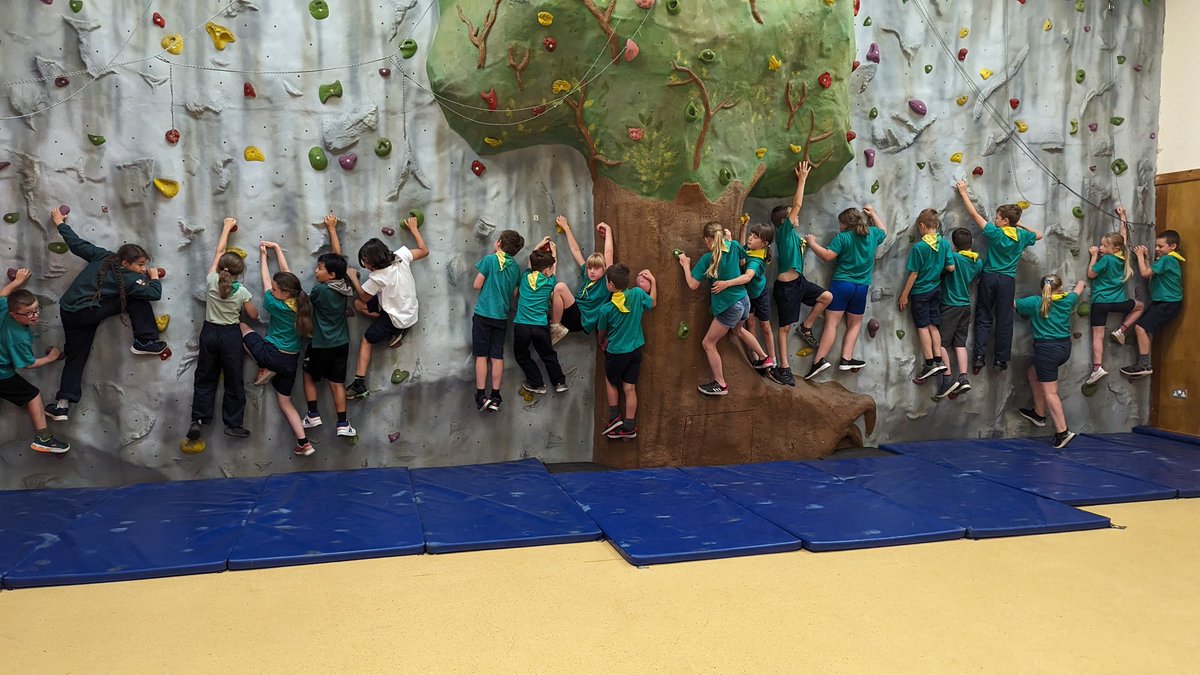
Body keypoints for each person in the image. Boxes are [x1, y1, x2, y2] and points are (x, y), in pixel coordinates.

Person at [46, 207, 167, 421]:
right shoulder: (131, 280)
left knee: (76, 356)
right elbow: (153, 294)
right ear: (125, 263)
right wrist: (154, 277)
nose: (142, 269)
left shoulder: (103, 256)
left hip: (68, 310)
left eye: (145, 265)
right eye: (140, 265)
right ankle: (145, 341)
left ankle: (62, 405)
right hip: (89, 313)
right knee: (135, 297)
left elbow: (76, 243)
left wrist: (59, 223)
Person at [955, 179, 1041, 374]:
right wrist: (1020, 225)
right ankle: (1001, 360)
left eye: (997, 217)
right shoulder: (1021, 237)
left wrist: (963, 193)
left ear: (1005, 221)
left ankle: (978, 357)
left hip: (989, 277)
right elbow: (1038, 235)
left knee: (983, 316)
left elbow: (973, 214)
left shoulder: (995, 233)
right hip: (1007, 281)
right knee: (1004, 319)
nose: (994, 219)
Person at [679, 222, 770, 396]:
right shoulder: (735, 245)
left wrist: (685, 264)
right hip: (744, 301)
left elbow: (692, 285)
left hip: (730, 306)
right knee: (738, 330)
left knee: (708, 343)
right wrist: (730, 240)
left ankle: (720, 384)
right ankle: (765, 358)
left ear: (707, 239)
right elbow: (743, 261)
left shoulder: (708, 258)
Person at [187, 217, 257, 444]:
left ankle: (197, 419)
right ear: (240, 273)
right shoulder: (242, 291)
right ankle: (234, 424)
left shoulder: (211, 280)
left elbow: (218, 252)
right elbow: (253, 315)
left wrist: (226, 226)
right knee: (234, 379)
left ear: (220, 269)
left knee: (205, 376)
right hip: (230, 335)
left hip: (209, 333)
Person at [240, 242, 314, 456]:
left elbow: (265, 279)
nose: (272, 290)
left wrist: (263, 256)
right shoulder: (302, 302)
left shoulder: (274, 304)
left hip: (273, 355)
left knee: (241, 327)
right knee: (285, 402)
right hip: (291, 362)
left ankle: (263, 365)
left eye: (275, 289)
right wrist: (278, 249)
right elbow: (287, 274)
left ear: (283, 293)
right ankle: (304, 443)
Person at [346, 215, 428, 400]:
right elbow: (424, 250)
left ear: (374, 262)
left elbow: (364, 295)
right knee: (360, 306)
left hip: (397, 319)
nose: (365, 266)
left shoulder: (377, 278)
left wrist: (353, 278)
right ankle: (396, 324)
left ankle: (359, 383)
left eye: (366, 262)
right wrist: (414, 228)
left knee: (366, 339)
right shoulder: (401, 256)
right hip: (410, 309)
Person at [804, 205, 888, 379]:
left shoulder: (842, 238)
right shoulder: (871, 234)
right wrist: (873, 213)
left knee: (831, 324)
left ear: (844, 223)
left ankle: (818, 361)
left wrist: (812, 243)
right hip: (861, 287)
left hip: (842, 285)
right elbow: (884, 231)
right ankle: (846, 358)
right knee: (855, 324)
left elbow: (828, 255)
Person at [769, 161, 833, 386]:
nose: (797, 215)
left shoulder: (794, 236)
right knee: (784, 328)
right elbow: (797, 203)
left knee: (826, 297)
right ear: (784, 221)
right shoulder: (784, 232)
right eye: (792, 214)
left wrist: (808, 243)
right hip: (786, 287)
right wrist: (802, 178)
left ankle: (806, 327)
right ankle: (783, 369)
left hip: (799, 283)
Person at [302, 213, 365, 437]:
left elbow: (310, 304)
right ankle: (342, 424)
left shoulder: (319, 290)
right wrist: (332, 230)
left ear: (330, 275)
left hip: (320, 344)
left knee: (308, 374)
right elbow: (338, 259)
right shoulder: (343, 284)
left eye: (319, 269)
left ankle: (312, 414)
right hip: (341, 343)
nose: (315, 271)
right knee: (337, 382)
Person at [0, 269, 70, 453]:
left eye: (37, 309)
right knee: (32, 395)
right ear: (14, 314)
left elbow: (2, 294)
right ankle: (44, 438)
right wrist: (50, 358)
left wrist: (18, 282)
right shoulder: (18, 337)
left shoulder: (3, 307)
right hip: (1, 374)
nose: (35, 316)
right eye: (29, 313)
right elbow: (27, 364)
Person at [1015, 275, 1086, 449]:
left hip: (1046, 351)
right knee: (1032, 374)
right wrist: (1080, 283)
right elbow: (1079, 289)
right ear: (1060, 288)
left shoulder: (1034, 302)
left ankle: (1063, 432)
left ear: (1042, 288)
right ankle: (1039, 413)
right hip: (1063, 349)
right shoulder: (1067, 300)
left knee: (1050, 392)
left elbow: (1012, 304)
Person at [595, 265, 656, 439]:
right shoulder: (637, 294)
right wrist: (653, 281)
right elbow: (653, 303)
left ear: (611, 285)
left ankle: (614, 417)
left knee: (611, 381)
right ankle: (629, 426)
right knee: (629, 387)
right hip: (635, 350)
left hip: (616, 352)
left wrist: (601, 340)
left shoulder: (606, 309)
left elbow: (602, 331)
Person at [1084, 207, 1143, 385]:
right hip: (1119, 303)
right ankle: (1122, 329)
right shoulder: (1122, 256)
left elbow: (1091, 274)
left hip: (1100, 302)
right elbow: (1122, 237)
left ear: (1114, 248)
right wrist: (1123, 216)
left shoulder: (1107, 259)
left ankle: (1097, 368)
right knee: (1140, 306)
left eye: (1104, 246)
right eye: (1101, 245)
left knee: (1097, 336)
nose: (1101, 248)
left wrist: (1094, 256)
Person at [472, 229, 525, 412]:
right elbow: (515, 293)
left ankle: (481, 395)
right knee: (496, 356)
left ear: (499, 243)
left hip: (483, 314)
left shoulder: (490, 260)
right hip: (501, 317)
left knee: (481, 355)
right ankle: (495, 395)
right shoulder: (515, 268)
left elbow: (476, 285)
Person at [899, 209, 953, 383]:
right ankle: (939, 359)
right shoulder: (944, 244)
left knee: (922, 326)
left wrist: (904, 296)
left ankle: (929, 363)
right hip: (936, 289)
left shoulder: (919, 247)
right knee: (933, 326)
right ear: (936, 225)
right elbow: (951, 267)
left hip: (920, 292)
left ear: (921, 226)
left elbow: (913, 274)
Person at [1122, 230, 1185, 378]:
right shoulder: (1168, 259)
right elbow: (1151, 273)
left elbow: (1145, 274)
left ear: (1173, 246)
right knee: (1142, 328)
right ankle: (1143, 363)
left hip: (1167, 303)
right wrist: (1148, 259)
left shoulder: (1167, 260)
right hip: (1163, 303)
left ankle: (1144, 365)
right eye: (1156, 245)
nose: (1157, 249)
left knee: (1140, 327)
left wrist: (1138, 256)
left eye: (1160, 246)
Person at [513, 239, 567, 395]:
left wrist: (538, 246)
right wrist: (554, 251)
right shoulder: (550, 282)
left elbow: (531, 263)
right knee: (548, 355)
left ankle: (537, 384)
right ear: (547, 271)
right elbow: (553, 269)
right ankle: (559, 382)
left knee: (522, 356)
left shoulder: (524, 278)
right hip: (540, 327)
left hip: (522, 326)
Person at [548, 216, 613, 344]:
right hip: (572, 315)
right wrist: (566, 228)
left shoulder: (605, 282)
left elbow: (609, 253)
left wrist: (608, 230)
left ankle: (555, 328)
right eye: (590, 268)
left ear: (604, 269)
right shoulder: (587, 276)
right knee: (550, 293)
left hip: (581, 320)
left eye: (596, 268)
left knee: (560, 287)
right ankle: (553, 323)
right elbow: (576, 251)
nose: (592, 271)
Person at [935, 228, 983, 398]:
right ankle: (963, 378)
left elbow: (944, 269)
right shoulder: (978, 262)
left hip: (950, 304)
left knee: (939, 343)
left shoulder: (954, 258)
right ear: (972, 243)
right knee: (960, 344)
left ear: (954, 245)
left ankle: (947, 378)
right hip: (965, 305)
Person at [740, 221, 778, 375]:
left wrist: (727, 283)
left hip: (759, 293)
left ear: (764, 243)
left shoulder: (756, 260)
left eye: (755, 237)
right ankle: (756, 356)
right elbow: (742, 247)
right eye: (751, 234)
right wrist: (743, 228)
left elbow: (748, 276)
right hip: (749, 293)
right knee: (750, 323)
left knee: (765, 326)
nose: (750, 238)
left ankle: (773, 360)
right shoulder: (750, 250)